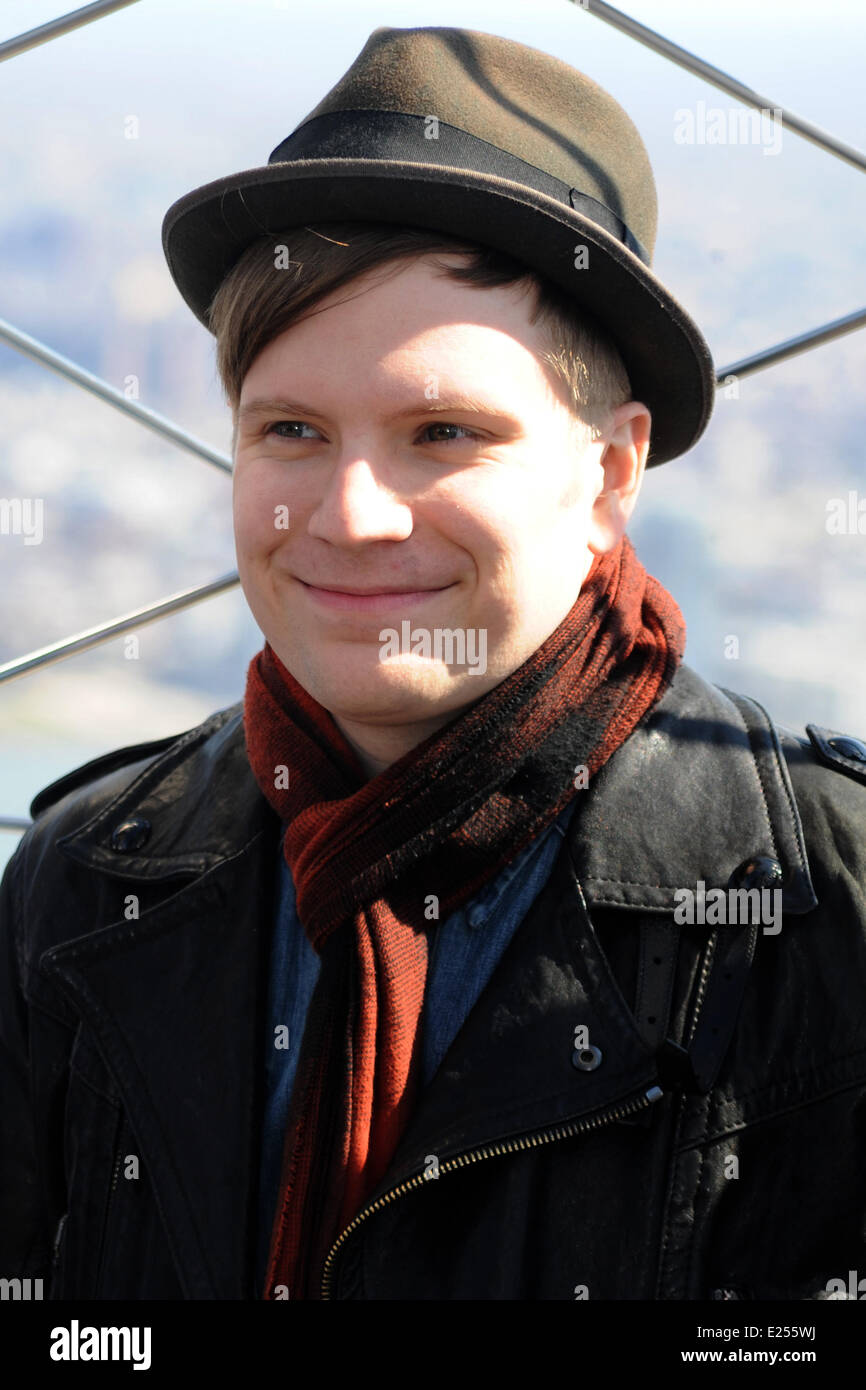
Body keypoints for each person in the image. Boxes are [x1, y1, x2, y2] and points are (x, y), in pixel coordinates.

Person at [2, 24, 866, 1305]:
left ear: (608, 476)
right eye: (290, 428)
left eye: (443, 432)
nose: (353, 513)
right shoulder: (83, 886)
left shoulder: (821, 923)